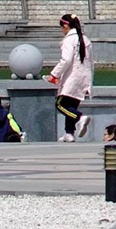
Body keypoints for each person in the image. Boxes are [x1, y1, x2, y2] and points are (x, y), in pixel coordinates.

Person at [48, 13, 95, 142]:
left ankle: (79, 118)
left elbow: (66, 60)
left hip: (72, 78)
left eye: (62, 27)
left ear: (66, 26)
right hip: (83, 77)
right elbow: (91, 62)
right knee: (72, 105)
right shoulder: (86, 39)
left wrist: (54, 74)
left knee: (60, 104)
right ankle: (69, 133)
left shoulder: (69, 40)